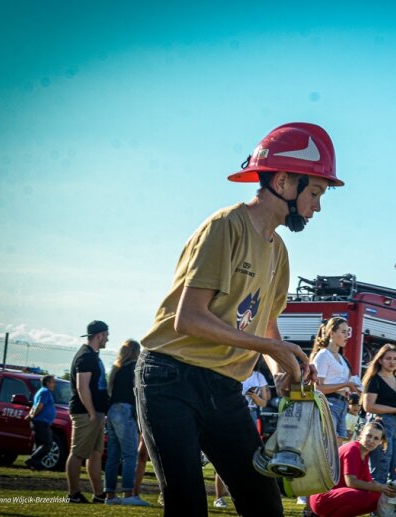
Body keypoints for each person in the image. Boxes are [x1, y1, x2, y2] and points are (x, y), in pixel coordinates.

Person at [136, 122, 343, 517]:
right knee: (187, 506)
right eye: (315, 192)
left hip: (225, 387)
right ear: (283, 180)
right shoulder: (224, 226)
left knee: (265, 505)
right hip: (170, 379)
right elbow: (189, 320)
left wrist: (284, 365)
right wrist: (272, 349)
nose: (317, 205)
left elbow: (265, 327)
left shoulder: (279, 251)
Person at [309, 421, 396, 517]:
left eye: (376, 438)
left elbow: (369, 482)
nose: (371, 441)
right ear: (361, 434)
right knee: (363, 496)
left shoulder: (364, 454)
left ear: (380, 442)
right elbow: (351, 482)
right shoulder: (353, 449)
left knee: (378, 498)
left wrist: (386, 490)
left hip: (335, 497)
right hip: (322, 498)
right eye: (369, 436)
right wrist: (380, 488)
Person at [214, 364, 271, 509]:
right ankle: (219, 497)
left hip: (251, 413)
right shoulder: (234, 370)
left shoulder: (259, 377)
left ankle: (248, 497)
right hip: (231, 413)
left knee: (250, 457)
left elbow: (264, 402)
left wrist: (253, 396)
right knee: (226, 456)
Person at [66, 320, 110, 504]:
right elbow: (82, 387)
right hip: (85, 413)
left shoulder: (93, 355)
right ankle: (73, 494)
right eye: (106, 336)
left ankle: (99, 494)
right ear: (99, 335)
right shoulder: (85, 356)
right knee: (77, 453)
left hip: (96, 413)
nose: (107, 339)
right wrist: (92, 412)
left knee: (95, 453)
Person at [103, 339, 148, 506]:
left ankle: (110, 496)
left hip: (113, 410)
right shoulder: (135, 367)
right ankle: (128, 494)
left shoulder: (116, 368)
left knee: (113, 457)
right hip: (126, 411)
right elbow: (137, 392)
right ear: (137, 352)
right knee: (130, 455)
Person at [362, 344, 396, 483]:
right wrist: (395, 410)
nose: (392, 362)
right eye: (388, 358)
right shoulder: (375, 381)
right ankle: (374, 501)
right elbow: (368, 406)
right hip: (380, 427)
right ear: (380, 360)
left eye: (395, 358)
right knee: (380, 467)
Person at [311, 317, 360, 445]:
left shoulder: (341, 358)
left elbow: (345, 383)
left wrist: (355, 387)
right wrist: (345, 384)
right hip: (329, 404)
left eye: (347, 332)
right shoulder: (323, 355)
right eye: (343, 332)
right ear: (331, 333)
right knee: (327, 446)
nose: (346, 336)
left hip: (342, 405)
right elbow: (317, 388)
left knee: (337, 449)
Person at [25, 374, 56, 470]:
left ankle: (35, 465)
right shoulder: (45, 392)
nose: (54, 384)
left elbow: (34, 406)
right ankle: (32, 460)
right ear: (47, 383)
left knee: (39, 444)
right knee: (47, 444)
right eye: (53, 382)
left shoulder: (41, 392)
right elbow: (39, 406)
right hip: (41, 422)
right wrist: (32, 415)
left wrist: (30, 416)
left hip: (39, 422)